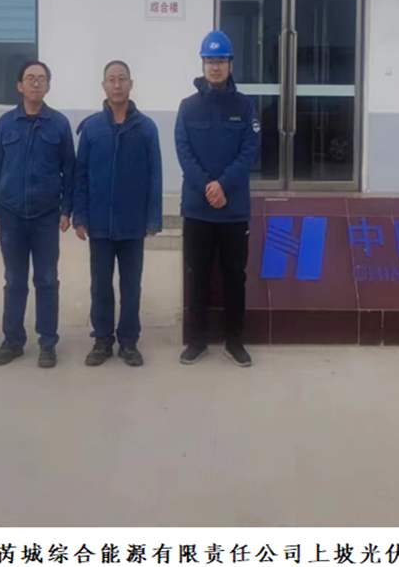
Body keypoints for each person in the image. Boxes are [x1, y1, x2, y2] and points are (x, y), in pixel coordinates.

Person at [175, 30, 261, 367]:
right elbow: (184, 151)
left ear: (231, 65)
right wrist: (207, 186)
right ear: (202, 64)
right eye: (210, 60)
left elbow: (249, 150)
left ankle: (234, 341)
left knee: (234, 277)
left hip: (233, 210)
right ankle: (197, 341)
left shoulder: (245, 106)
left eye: (221, 60)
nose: (215, 67)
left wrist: (222, 185)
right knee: (197, 275)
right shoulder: (187, 107)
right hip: (198, 209)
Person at [0, 61, 75, 369]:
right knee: (14, 281)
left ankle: (47, 342)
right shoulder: (6, 124)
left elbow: (70, 171)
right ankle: (12, 341)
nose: (36, 83)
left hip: (46, 216)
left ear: (48, 86)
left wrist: (66, 210)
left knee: (47, 280)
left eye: (42, 79)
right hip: (10, 215)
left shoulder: (59, 125)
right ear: (19, 86)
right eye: (30, 78)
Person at [73, 61, 162, 368]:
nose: (117, 84)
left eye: (122, 79)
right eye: (111, 79)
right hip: (99, 223)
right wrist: (80, 216)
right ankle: (102, 340)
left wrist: (153, 218)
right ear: (104, 86)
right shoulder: (92, 128)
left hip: (132, 223)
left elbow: (155, 175)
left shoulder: (146, 128)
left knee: (131, 286)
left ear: (130, 84)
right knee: (100, 285)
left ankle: (128, 342)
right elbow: (80, 175)